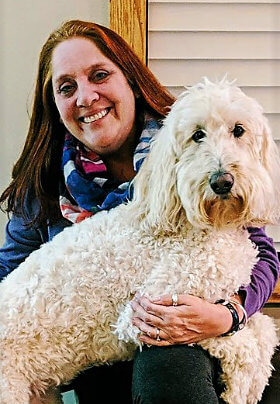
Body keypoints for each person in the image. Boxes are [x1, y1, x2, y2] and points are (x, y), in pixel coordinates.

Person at [0, 19, 279, 404]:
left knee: (171, 360)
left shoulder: (188, 135)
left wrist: (230, 314)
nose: (85, 96)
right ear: (55, 104)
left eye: (99, 75)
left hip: (186, 351)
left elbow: (260, 251)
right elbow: (10, 276)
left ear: (129, 79)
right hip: (99, 364)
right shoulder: (43, 185)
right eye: (67, 87)